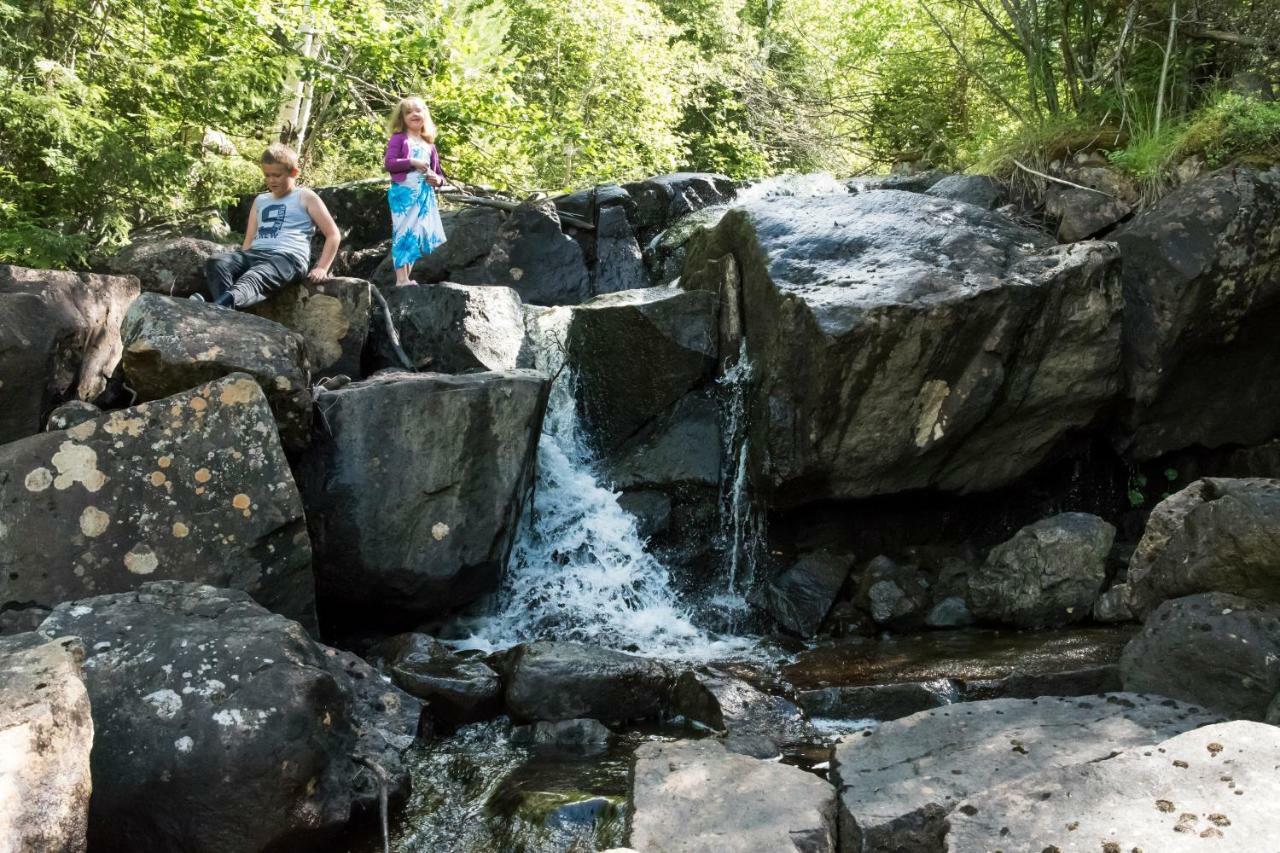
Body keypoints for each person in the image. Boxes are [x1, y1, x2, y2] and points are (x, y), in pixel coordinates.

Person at [200, 143, 340, 308]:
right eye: (267, 175)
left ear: (294, 173)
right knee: (217, 262)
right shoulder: (260, 200)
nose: (271, 180)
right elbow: (250, 237)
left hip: (288, 258)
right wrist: (242, 261)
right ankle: (225, 310)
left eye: (277, 175)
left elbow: (333, 234)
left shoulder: (305, 196)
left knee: (254, 276)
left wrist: (322, 268)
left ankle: (216, 307)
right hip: (255, 254)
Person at [383, 96, 448, 286]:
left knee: (416, 235)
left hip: (424, 196)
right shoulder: (399, 138)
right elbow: (390, 163)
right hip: (404, 195)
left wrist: (437, 180)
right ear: (402, 118)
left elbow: (439, 175)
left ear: (425, 115)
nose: (414, 114)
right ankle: (401, 279)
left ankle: (405, 278)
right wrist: (412, 162)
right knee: (403, 232)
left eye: (418, 110)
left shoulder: (429, 145)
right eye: (408, 112)